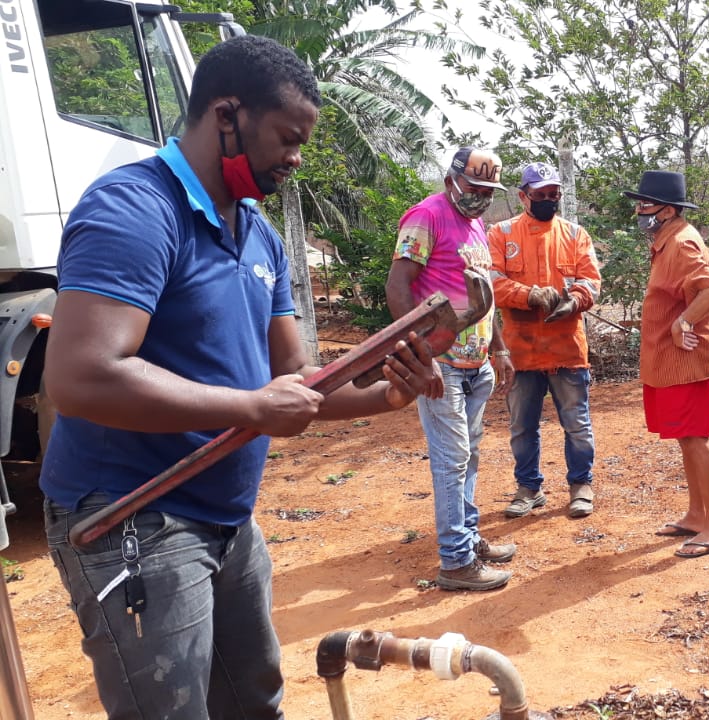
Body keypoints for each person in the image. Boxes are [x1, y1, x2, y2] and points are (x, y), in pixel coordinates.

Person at [38, 35, 444, 719]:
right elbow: (80, 376)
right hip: (133, 517)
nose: (295, 159)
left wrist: (386, 395)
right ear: (227, 114)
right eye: (287, 138)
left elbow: (294, 377)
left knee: (254, 705)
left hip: (226, 520)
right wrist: (249, 408)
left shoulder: (256, 232)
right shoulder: (135, 210)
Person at [386, 146, 518, 592]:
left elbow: (485, 297)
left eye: (488, 191)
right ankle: (456, 562)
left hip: (476, 362)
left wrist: (498, 348)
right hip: (441, 362)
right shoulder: (427, 216)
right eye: (475, 187)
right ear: (452, 179)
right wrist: (419, 354)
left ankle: (468, 538)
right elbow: (398, 285)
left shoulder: (476, 224)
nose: (481, 197)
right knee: (451, 459)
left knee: (469, 456)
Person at [624, 170, 709, 559]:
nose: (639, 211)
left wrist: (684, 321)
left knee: (694, 439)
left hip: (687, 359)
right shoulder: (672, 238)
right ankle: (695, 515)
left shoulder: (681, 243)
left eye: (645, 205)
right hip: (672, 360)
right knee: (686, 438)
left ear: (667, 210)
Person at [488, 162, 601, 519]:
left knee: (577, 424)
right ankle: (528, 488)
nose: (549, 199)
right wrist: (529, 295)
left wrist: (575, 299)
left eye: (554, 194)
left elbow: (591, 281)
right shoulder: (501, 234)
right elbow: (488, 282)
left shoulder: (575, 234)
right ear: (523, 196)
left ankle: (580, 485)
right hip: (520, 351)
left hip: (566, 348)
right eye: (541, 195)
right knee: (522, 426)